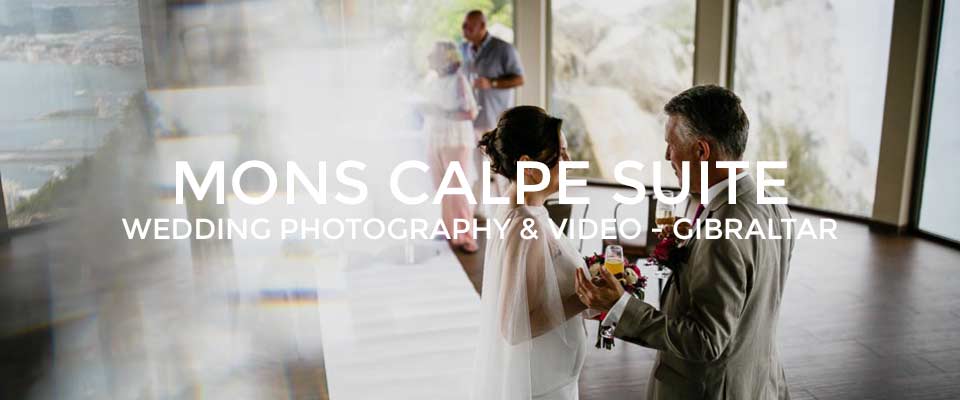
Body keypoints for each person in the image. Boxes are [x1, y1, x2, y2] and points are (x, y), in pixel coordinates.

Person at [576, 85, 795, 399]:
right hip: (759, 383)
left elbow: (706, 339)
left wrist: (620, 306)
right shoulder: (774, 205)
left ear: (702, 151)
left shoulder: (721, 228)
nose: (667, 156)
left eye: (671, 144)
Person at [472, 106, 590, 400]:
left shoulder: (523, 211)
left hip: (545, 376)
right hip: (541, 385)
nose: (568, 161)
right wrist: (586, 297)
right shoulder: (527, 223)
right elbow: (513, 326)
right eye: (560, 153)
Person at [461, 9, 525, 215]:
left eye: (469, 26)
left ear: (482, 26)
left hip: (495, 118)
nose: (465, 30)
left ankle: (509, 210)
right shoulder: (463, 49)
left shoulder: (503, 49)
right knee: (477, 169)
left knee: (500, 170)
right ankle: (478, 210)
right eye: (464, 25)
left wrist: (492, 83)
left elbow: (519, 78)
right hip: (472, 120)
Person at [419, 41, 480, 253]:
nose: (428, 57)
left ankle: (465, 236)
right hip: (434, 137)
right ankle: (447, 228)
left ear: (446, 58)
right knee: (442, 187)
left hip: (455, 139)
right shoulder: (431, 80)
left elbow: (471, 113)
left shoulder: (459, 80)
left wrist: (441, 112)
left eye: (433, 54)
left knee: (457, 188)